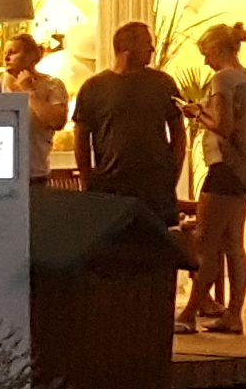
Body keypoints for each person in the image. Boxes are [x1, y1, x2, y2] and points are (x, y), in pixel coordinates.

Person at [70, 20, 189, 235]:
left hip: (155, 189)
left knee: (156, 246)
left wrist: (171, 175)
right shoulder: (93, 88)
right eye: (146, 43)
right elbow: (81, 138)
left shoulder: (163, 83)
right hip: (111, 188)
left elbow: (178, 132)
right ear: (127, 47)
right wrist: (88, 182)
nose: (152, 49)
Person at [182, 21, 246, 336]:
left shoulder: (223, 78)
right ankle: (233, 313)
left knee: (206, 241)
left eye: (206, 53)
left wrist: (197, 114)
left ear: (218, 49)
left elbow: (224, 126)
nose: (205, 62)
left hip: (225, 167)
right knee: (233, 244)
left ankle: (190, 311)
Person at [2, 32, 71, 182]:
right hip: (1, 174)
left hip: (35, 173)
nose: (6, 58)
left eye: (13, 52)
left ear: (30, 57)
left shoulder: (52, 85)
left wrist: (29, 91)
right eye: (5, 53)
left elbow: (57, 122)